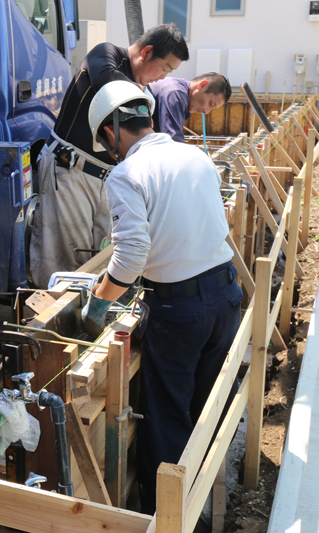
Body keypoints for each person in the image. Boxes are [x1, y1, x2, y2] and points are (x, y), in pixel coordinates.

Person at [81, 80, 243, 515]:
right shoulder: (194, 155)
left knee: (167, 419)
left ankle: (170, 520)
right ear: (148, 118)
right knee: (204, 405)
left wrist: (99, 302)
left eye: (106, 143)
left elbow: (132, 253)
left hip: (180, 312)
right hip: (226, 295)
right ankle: (206, 503)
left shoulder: (126, 174)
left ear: (112, 133)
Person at [28, 23, 189, 289]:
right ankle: (49, 321)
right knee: (65, 259)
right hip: (70, 171)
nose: (163, 77)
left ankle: (91, 319)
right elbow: (107, 81)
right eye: (165, 68)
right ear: (147, 52)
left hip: (109, 178)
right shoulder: (107, 54)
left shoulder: (144, 90)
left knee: (103, 255)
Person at [148, 73, 232, 143]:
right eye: (211, 104)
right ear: (202, 85)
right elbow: (173, 142)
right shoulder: (176, 94)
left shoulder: (178, 89)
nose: (206, 112)